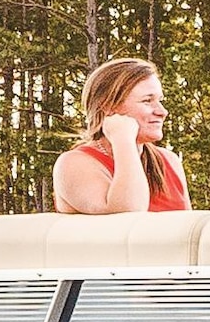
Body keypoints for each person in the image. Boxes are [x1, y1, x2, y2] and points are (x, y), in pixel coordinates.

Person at [52, 59, 188, 216]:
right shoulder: (74, 164)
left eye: (160, 100)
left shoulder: (168, 161)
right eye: (147, 101)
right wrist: (122, 138)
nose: (162, 111)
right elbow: (129, 216)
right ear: (108, 107)